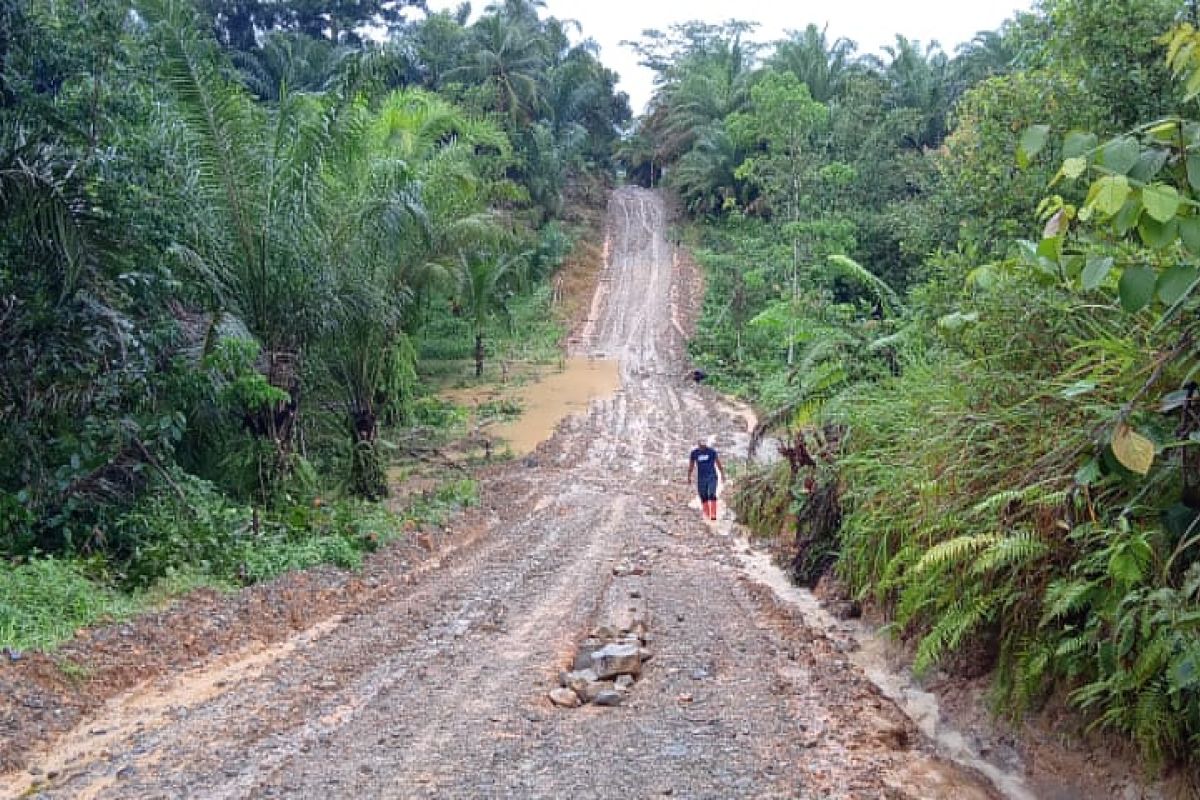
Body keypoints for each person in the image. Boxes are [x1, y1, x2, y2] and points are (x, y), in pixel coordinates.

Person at [687, 436, 724, 522]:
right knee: (703, 496)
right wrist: (689, 476)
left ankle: (714, 515)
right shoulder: (694, 453)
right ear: (698, 444)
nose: (702, 446)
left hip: (712, 476)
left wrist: (722, 474)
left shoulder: (712, 452)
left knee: (712, 494)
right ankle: (707, 515)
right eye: (701, 444)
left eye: (704, 444)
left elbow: (718, 463)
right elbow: (691, 465)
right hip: (701, 478)